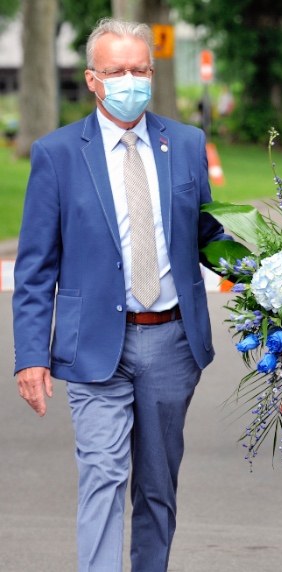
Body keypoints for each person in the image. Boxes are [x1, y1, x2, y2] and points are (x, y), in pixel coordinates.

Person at [12, 17, 229, 572]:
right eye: (116, 71)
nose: (129, 80)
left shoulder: (185, 144)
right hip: (94, 347)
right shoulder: (57, 153)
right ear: (92, 78)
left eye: (139, 69)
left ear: (152, 73)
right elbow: (36, 268)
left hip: (170, 341)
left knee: (157, 488)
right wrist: (31, 356)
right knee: (102, 476)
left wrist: (276, 274)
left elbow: (208, 235)